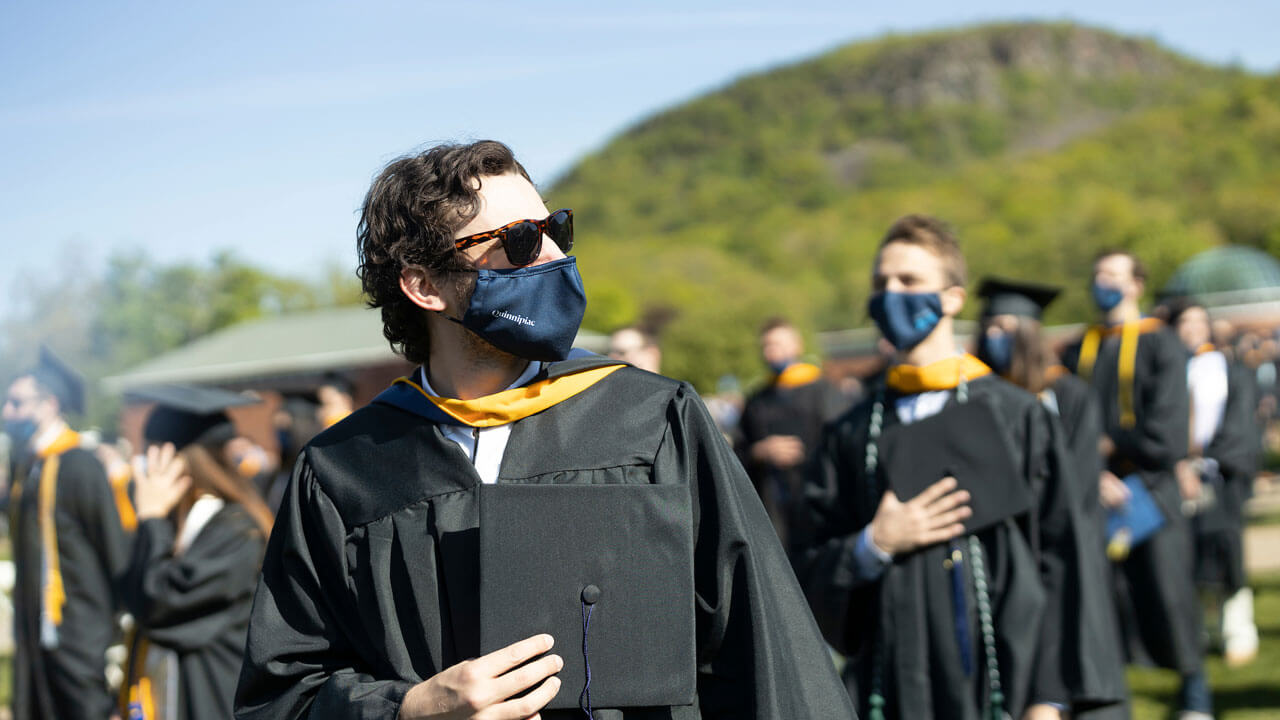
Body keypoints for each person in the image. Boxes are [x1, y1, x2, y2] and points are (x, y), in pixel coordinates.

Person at [234, 140, 854, 720]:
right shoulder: (346, 471)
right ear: (424, 285)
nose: (557, 256)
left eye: (557, 229)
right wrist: (406, 709)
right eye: (523, 242)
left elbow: (766, 650)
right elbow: (283, 694)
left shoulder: (651, 422)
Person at [798, 216, 1122, 720]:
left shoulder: (1018, 416)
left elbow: (1063, 555)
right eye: (881, 283)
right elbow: (808, 561)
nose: (891, 294)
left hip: (1005, 678)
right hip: (893, 677)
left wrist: (1049, 696)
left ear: (951, 298)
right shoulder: (851, 432)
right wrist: (874, 544)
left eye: (909, 281)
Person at [1061, 250, 1210, 719]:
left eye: (1111, 275)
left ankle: (1195, 695)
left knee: (1170, 596)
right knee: (1101, 603)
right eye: (1096, 273)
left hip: (1153, 491)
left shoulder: (1162, 344)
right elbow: (1064, 425)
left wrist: (1105, 444)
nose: (1100, 282)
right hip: (1092, 492)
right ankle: (1110, 699)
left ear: (1136, 285)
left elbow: (1166, 433)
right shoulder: (1075, 350)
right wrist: (1094, 469)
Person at [974, 277, 1131, 719]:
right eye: (989, 326)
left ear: (1030, 331)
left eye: (1005, 326)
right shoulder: (976, 398)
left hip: (1063, 549)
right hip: (997, 556)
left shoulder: (1070, 395)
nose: (993, 336)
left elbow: (1078, 486)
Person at [116, 384, 274, 720]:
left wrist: (152, 521)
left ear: (178, 460)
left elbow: (158, 604)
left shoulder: (235, 529)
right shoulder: (181, 522)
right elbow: (131, 594)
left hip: (213, 694)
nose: (143, 468)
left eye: (152, 453)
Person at [3, 347, 132, 720]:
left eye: (17, 403)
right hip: (35, 627)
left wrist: (116, 622)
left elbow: (114, 546)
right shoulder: (28, 465)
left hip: (79, 628)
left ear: (50, 404)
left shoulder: (81, 465)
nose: (8, 413)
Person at [1168, 298, 1260, 667]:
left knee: (1227, 552)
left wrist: (1206, 462)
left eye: (1197, 321)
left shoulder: (1227, 369)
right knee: (1186, 557)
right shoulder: (1167, 369)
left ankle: (1237, 630)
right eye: (1183, 322)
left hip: (1221, 476)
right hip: (1176, 479)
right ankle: (1198, 633)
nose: (1191, 329)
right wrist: (1179, 466)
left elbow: (1239, 423)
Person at [738, 317, 845, 552]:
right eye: (766, 345)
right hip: (773, 505)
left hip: (816, 501)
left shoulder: (824, 391)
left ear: (797, 345)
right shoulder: (757, 399)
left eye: (778, 344)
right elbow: (738, 449)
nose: (771, 351)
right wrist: (760, 451)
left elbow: (841, 443)